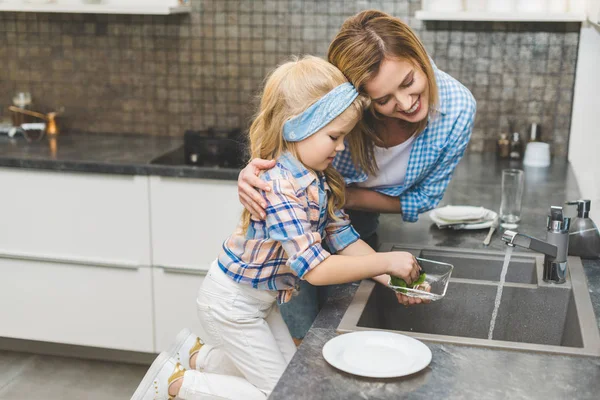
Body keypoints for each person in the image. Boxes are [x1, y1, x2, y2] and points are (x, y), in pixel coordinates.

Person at [131, 55, 424, 400]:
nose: (342, 146)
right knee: (281, 394)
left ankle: (198, 357)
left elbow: (344, 240)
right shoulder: (279, 185)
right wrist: (386, 263)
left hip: (256, 303)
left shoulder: (317, 179)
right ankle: (176, 385)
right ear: (297, 128)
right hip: (231, 305)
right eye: (334, 136)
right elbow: (314, 268)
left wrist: (393, 280)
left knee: (292, 382)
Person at [237, 9, 477, 339]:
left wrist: (387, 268)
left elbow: (422, 200)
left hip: (344, 219)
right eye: (383, 99)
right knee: (299, 338)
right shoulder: (338, 111)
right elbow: (282, 136)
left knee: (338, 333)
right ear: (361, 98)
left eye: (408, 82)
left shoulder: (458, 108)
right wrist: (258, 171)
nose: (406, 103)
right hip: (293, 229)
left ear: (419, 55)